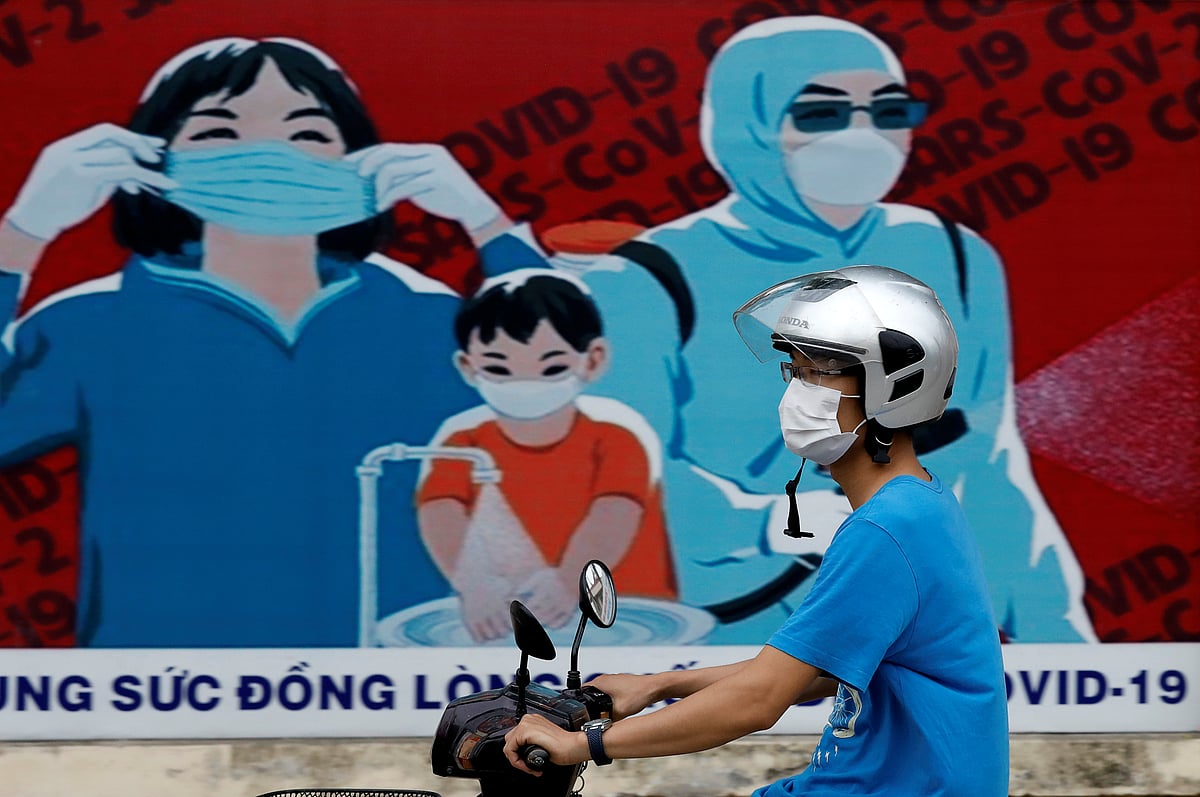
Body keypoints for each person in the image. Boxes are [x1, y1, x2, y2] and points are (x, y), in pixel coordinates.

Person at [523, 15, 1089, 642]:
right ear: (748, 127)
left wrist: (1059, 638)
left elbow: (989, 467)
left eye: (889, 112)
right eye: (822, 115)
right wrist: (768, 523)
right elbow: (615, 480)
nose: (863, 136)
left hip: (909, 615)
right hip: (734, 628)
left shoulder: (955, 255)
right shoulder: (647, 281)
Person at [0, 37, 543, 646]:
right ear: (151, 162)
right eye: (216, 133)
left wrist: (485, 221)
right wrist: (22, 235)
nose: (266, 155)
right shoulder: (88, 323)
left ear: (363, 161)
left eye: (308, 134)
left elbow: (593, 388)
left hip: (396, 683)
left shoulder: (430, 319)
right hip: (162, 690)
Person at [502, 265, 1010, 797]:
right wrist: (658, 685)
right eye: (795, 371)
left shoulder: (888, 529)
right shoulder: (919, 506)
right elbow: (816, 670)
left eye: (820, 373)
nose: (799, 392)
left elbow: (758, 700)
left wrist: (586, 745)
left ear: (894, 387)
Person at [417, 269, 675, 642]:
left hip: (628, 624)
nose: (526, 383)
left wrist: (571, 580)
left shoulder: (615, 441)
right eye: (497, 368)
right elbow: (440, 511)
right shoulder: (463, 445)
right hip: (508, 626)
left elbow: (614, 512)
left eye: (551, 367)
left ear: (593, 360)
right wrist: (475, 585)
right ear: (468, 368)